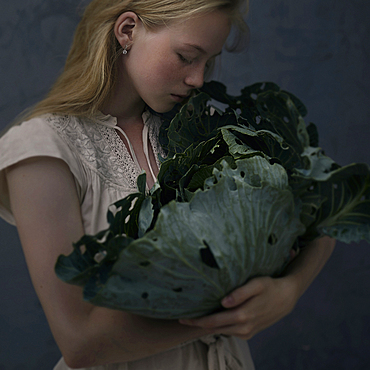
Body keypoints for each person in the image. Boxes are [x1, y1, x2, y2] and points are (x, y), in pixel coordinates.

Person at [0, 0, 336, 369]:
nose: (199, 79)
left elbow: (322, 210)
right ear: (127, 30)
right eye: (186, 56)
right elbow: (81, 342)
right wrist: (234, 315)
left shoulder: (207, 129)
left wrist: (287, 291)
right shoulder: (41, 150)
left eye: (208, 61)